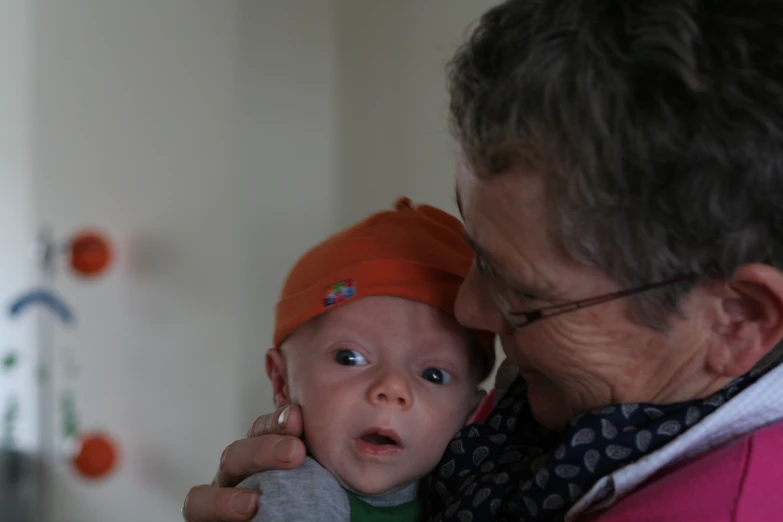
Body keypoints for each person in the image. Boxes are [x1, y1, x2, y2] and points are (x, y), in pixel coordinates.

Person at [182, 1, 783, 521]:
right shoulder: (554, 391)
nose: (467, 309)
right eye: (477, 250)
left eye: (523, 293)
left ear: (738, 318)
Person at [234, 197, 495, 521]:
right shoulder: (298, 495)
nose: (392, 387)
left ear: (471, 414)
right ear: (281, 379)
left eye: (434, 375)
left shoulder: (469, 488)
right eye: (350, 357)